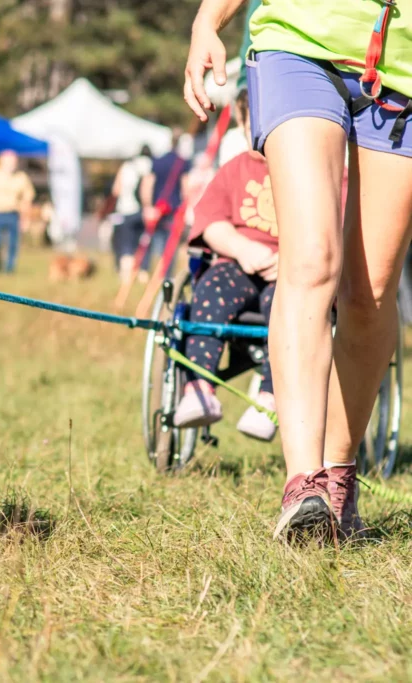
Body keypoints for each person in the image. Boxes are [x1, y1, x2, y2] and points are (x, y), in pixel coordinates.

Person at [185, 0, 412, 540]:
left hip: (402, 66)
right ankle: (302, 482)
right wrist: (206, 22)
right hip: (298, 43)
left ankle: (336, 480)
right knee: (312, 259)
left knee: (371, 292)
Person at [174, 91, 279, 442]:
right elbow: (211, 221)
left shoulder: (322, 173)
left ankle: (270, 398)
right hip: (236, 262)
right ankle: (199, 389)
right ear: (242, 122)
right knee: (210, 290)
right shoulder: (234, 169)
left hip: (294, 271)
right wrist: (242, 248)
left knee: (293, 309)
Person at [140, 130, 191, 274]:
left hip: (156, 209)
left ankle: (148, 271)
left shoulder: (157, 161)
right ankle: (166, 275)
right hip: (173, 209)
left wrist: (147, 207)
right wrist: (187, 206)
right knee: (170, 246)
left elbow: (147, 185)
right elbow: (186, 187)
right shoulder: (182, 162)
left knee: (152, 241)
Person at [0, 149, 36, 273]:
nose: (11, 164)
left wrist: (25, 219)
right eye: (8, 161)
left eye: (13, 162)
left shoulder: (21, 177)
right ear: (1, 161)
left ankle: (9, 269)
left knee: (12, 244)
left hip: (13, 214)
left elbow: (27, 199)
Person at [109, 146, 153, 283]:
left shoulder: (127, 166)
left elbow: (116, 190)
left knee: (126, 244)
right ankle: (142, 274)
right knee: (143, 243)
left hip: (124, 210)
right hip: (141, 211)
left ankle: (126, 276)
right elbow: (147, 190)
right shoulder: (149, 165)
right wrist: (148, 207)